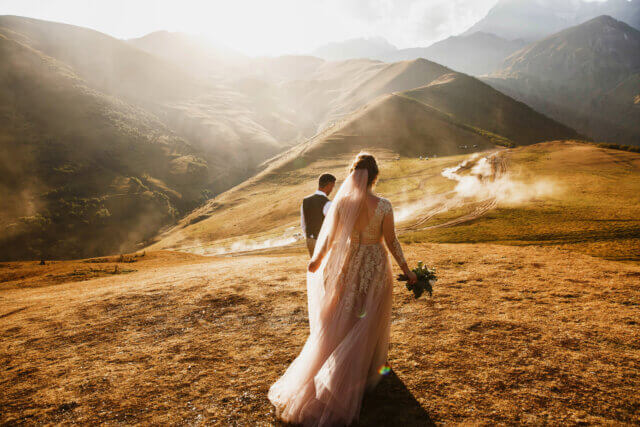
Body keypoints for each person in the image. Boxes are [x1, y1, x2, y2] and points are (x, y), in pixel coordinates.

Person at [268, 152, 418, 426]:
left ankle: (340, 367)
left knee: (345, 315)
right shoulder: (383, 205)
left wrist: (316, 260)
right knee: (370, 317)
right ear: (374, 177)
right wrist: (407, 271)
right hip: (374, 265)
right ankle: (364, 372)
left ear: (352, 175)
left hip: (350, 264)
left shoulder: (342, 204)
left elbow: (330, 239)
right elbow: (392, 241)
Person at [301, 174, 336, 256]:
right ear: (329, 185)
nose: (331, 190)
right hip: (323, 241)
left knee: (315, 267)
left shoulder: (305, 201)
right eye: (332, 187)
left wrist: (309, 236)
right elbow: (332, 225)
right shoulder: (328, 203)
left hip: (310, 240)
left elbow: (303, 223)